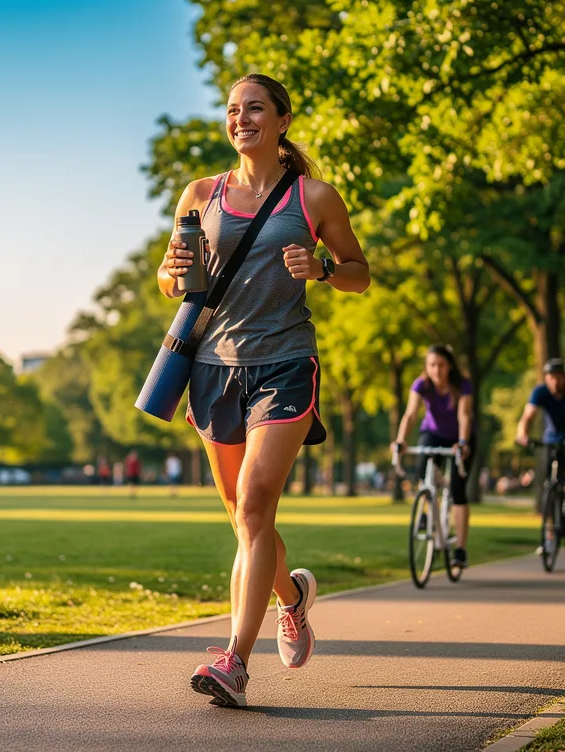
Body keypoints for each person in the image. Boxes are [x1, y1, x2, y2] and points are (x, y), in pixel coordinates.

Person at [159, 73, 370, 708]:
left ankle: (233, 662)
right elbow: (176, 283)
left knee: (253, 505)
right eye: (231, 110)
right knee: (244, 518)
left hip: (285, 363)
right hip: (213, 368)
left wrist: (325, 269)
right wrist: (169, 275)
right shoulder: (199, 195)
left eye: (254, 109)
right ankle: (293, 597)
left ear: (281, 119)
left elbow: (360, 273)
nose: (240, 118)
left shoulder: (314, 196)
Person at [391, 345, 475, 569]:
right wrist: (400, 439)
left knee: (458, 489)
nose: (436, 370)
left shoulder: (462, 385)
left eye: (441, 365)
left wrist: (463, 441)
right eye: (432, 365)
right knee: (422, 470)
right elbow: (410, 414)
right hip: (433, 433)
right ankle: (428, 509)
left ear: (449, 366)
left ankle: (460, 550)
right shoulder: (421, 384)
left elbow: (464, 415)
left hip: (460, 437)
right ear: (426, 367)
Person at [515, 358, 565, 520]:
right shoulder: (540, 392)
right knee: (550, 479)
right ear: (546, 378)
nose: (555, 381)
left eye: (559, 376)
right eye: (551, 377)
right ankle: (551, 530)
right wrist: (522, 434)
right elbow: (527, 417)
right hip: (551, 440)